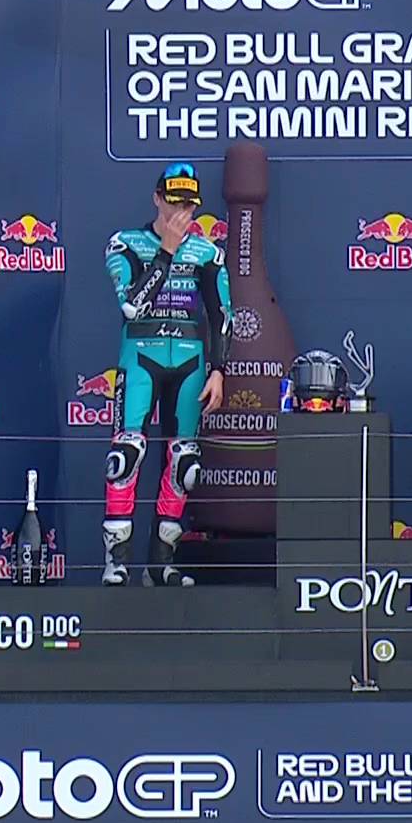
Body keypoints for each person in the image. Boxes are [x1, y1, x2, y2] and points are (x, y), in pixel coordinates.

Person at [100, 162, 229, 587]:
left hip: (190, 362)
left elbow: (220, 316)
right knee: (126, 455)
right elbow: (132, 305)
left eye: (189, 205)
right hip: (141, 357)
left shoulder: (208, 253)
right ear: (157, 199)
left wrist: (218, 370)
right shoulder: (126, 244)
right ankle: (116, 562)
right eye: (174, 202)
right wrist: (167, 251)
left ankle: (161, 564)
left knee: (184, 463)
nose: (181, 212)